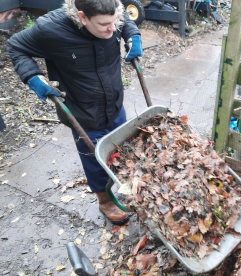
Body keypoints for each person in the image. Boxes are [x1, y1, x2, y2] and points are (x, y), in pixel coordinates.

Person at [6, 0, 142, 225]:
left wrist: (132, 34)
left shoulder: (110, 14)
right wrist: (33, 77)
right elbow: (15, 46)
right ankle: (105, 201)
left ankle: (127, 188)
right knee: (95, 159)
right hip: (83, 111)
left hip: (115, 101)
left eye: (114, 22)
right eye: (104, 25)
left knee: (125, 150)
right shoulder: (50, 29)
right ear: (82, 17)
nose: (112, 28)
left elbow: (122, 20)